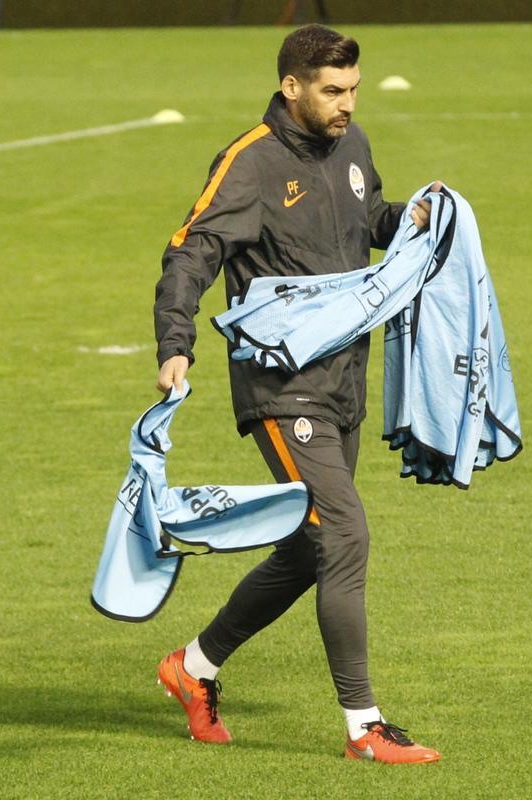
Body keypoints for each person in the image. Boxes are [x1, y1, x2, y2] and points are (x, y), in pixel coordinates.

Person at [152, 23, 440, 764]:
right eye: (333, 90)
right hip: (282, 389)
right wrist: (174, 343)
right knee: (343, 536)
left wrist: (407, 216)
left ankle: (193, 668)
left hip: (343, 380)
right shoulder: (249, 163)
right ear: (293, 88)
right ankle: (365, 727)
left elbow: (363, 219)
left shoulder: (353, 146)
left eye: (353, 89)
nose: (347, 104)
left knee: (308, 549)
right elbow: (191, 249)